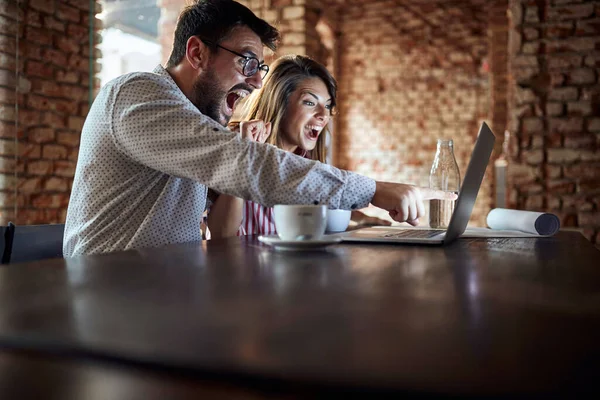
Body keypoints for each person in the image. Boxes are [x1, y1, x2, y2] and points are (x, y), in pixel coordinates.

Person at [63, 0, 455, 257]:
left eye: (260, 69)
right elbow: (245, 166)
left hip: (164, 298)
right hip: (111, 299)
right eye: (247, 62)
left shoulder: (196, 120)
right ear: (197, 53)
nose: (254, 82)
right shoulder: (138, 93)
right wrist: (375, 190)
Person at [207, 55, 390, 238]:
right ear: (279, 103)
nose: (323, 115)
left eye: (327, 106)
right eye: (310, 102)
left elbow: (314, 202)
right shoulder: (235, 144)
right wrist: (246, 154)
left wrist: (359, 219)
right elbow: (220, 234)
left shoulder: (307, 162)